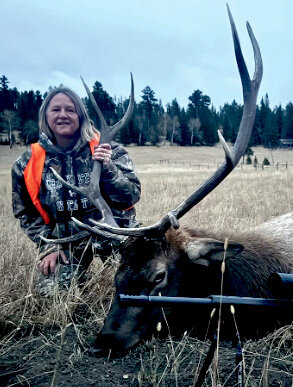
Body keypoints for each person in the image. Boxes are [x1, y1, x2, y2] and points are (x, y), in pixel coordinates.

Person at [11, 86, 141, 294]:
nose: (63, 115)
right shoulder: (27, 164)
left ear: (80, 116)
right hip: (66, 243)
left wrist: (108, 168)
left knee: (138, 287)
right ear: (45, 116)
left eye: (70, 110)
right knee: (52, 294)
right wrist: (48, 245)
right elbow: (26, 213)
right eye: (56, 110)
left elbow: (131, 196)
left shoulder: (109, 150)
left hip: (114, 235)